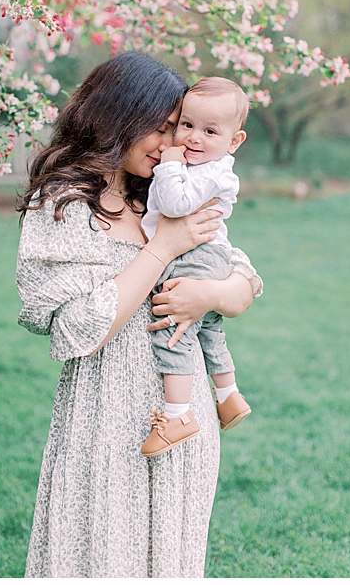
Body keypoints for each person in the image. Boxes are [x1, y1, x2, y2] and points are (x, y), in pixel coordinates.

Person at [15, 52, 263, 577]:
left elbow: (244, 283)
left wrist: (209, 297)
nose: (173, 143)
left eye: (178, 129)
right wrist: (162, 249)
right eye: (162, 127)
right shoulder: (61, 204)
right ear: (116, 118)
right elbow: (79, 329)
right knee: (100, 555)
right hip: (104, 417)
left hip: (182, 416)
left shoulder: (167, 194)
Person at [139, 77, 252, 457]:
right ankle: (228, 394)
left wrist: (168, 165)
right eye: (186, 126)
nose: (193, 138)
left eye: (209, 131)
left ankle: (178, 414)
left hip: (196, 257)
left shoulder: (212, 172)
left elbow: (175, 205)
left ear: (233, 141)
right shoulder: (204, 165)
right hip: (207, 255)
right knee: (208, 329)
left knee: (173, 328)